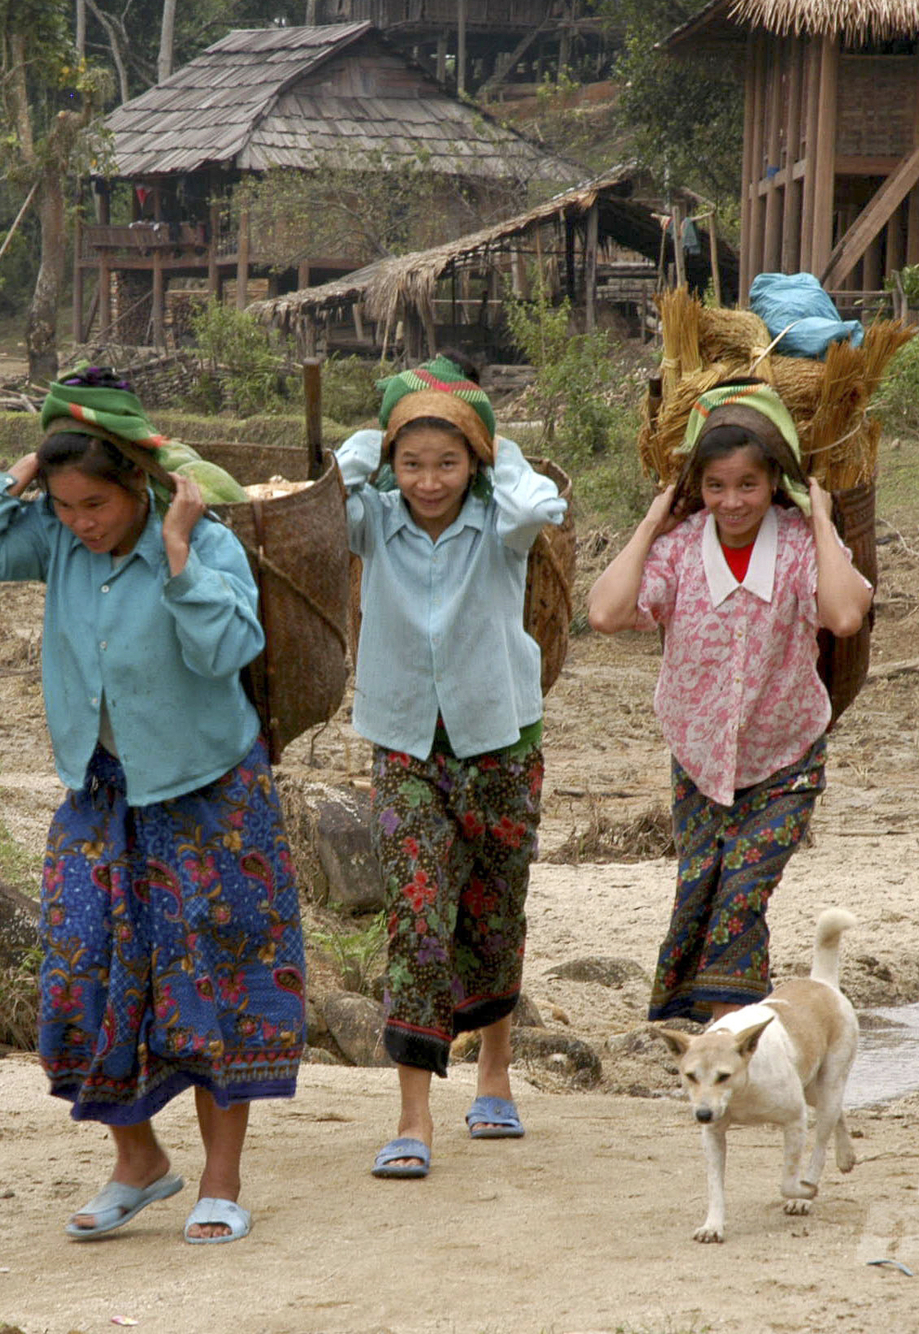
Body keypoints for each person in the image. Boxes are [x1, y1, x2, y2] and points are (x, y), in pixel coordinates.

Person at [0, 367, 306, 1244]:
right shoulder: (56, 541)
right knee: (81, 976)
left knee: (215, 981)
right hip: (100, 794)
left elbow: (226, 653)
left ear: (139, 485)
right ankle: (138, 1161)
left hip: (210, 794)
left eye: (95, 504)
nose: (80, 524)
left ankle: (221, 1178)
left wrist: (176, 557)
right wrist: (28, 469)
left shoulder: (203, 544)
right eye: (65, 507)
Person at [337, 353, 567, 1180]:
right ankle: (412, 1114)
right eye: (411, 462)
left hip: (502, 741)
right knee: (418, 916)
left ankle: (495, 1075)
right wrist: (388, 425)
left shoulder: (499, 523)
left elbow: (544, 501)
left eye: (447, 462)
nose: (428, 482)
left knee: (493, 910)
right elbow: (332, 486)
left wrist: (493, 444)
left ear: (474, 463)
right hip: (404, 744)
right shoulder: (370, 520)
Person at [585, 379, 871, 1025]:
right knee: (700, 894)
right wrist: (656, 518)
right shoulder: (681, 548)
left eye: (748, 484)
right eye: (716, 486)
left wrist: (821, 517)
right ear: (698, 487)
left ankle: (726, 1032)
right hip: (699, 762)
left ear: (776, 480)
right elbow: (605, 612)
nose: (733, 501)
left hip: (786, 761)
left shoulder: (801, 545)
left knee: (741, 895)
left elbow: (845, 615)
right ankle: (735, 1032)